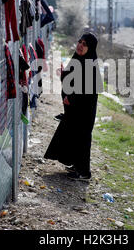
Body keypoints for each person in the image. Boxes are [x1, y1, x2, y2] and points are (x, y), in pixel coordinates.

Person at [44, 32, 103, 181]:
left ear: (90, 48)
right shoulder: (78, 59)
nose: (80, 46)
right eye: (80, 42)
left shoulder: (90, 64)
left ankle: (84, 172)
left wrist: (71, 99)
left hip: (84, 110)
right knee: (73, 134)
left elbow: (85, 91)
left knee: (82, 137)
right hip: (74, 107)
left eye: (84, 44)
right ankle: (76, 166)